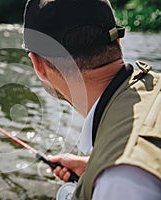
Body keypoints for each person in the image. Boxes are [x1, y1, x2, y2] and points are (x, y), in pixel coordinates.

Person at [23, 0, 161, 199]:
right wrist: (93, 165)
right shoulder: (155, 87)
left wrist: (104, 171)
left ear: (38, 66)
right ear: (117, 42)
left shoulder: (120, 183)